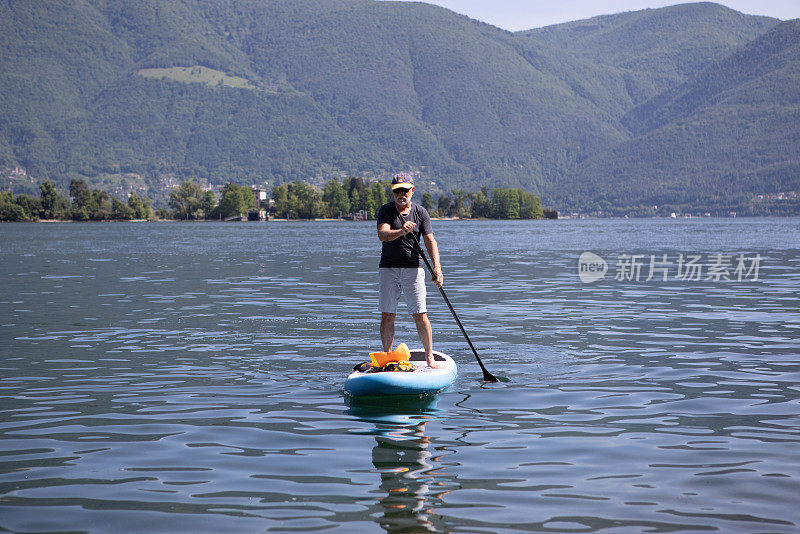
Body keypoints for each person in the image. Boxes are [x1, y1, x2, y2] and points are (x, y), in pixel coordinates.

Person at [376, 172, 444, 369]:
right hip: (388, 268)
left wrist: (437, 269)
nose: (401, 194)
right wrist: (401, 231)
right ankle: (388, 358)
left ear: (412, 190)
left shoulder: (421, 212)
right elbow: (383, 234)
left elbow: (430, 241)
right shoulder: (386, 210)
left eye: (405, 190)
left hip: (413, 269)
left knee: (420, 314)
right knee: (387, 314)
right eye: (397, 190)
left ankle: (429, 358)